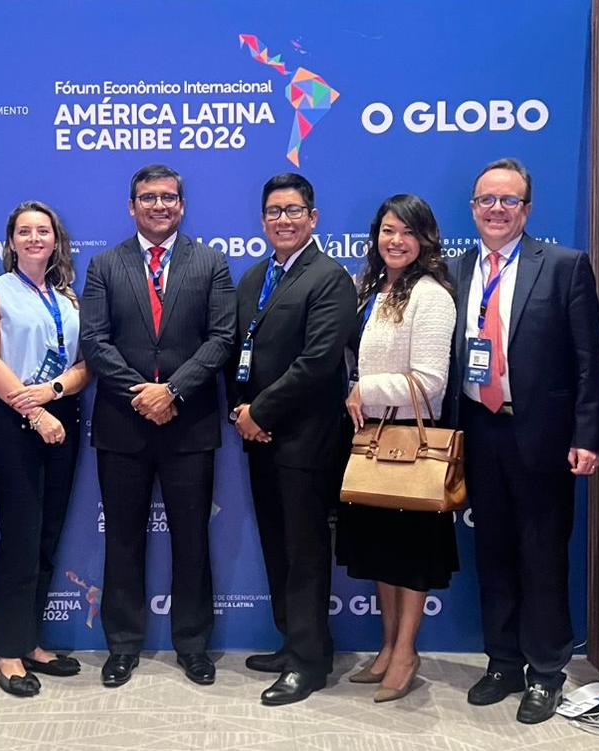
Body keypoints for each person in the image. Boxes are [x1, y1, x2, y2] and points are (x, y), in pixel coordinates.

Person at [445, 158, 599, 723]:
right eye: (486, 200)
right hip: (478, 429)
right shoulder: (455, 270)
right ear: (473, 208)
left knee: (542, 554)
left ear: (527, 209)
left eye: (508, 200)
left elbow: (589, 361)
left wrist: (589, 435)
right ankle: (502, 662)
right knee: (491, 553)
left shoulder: (563, 266)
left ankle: (546, 671)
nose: (496, 209)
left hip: (542, 435)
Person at [80, 164, 235, 687]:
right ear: (132, 207)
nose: (159, 206)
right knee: (123, 541)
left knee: (192, 541)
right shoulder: (105, 265)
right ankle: (123, 645)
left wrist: (172, 391)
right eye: (148, 198)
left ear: (182, 205)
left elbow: (221, 338)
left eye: (169, 197)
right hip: (122, 425)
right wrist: (142, 395)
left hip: (189, 423)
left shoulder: (210, 263)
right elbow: (95, 340)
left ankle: (193, 645)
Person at [227, 172, 356, 705]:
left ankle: (310, 662)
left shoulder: (330, 278)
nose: (284, 219)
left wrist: (260, 411)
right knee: (277, 546)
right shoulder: (254, 277)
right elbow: (235, 351)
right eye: (274, 212)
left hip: (307, 439)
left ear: (313, 218)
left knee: (305, 552)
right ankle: (293, 641)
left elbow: (318, 362)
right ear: (262, 220)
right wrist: (241, 413)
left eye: (294, 210)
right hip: (258, 438)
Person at [336, 194, 458, 703]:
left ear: (425, 239)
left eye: (408, 232)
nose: (396, 240)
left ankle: (406, 652)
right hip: (373, 439)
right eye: (388, 230)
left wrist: (364, 390)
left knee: (409, 558)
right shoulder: (370, 286)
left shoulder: (431, 295)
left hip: (409, 442)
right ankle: (387, 647)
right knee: (382, 555)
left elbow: (430, 383)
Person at [0, 201, 90, 696]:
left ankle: (30, 642)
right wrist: (35, 411)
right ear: (11, 241)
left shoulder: (68, 298)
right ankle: (6, 655)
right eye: (25, 231)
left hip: (63, 420)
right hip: (14, 422)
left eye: (43, 230)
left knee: (46, 537)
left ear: (56, 240)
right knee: (19, 538)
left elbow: (84, 365)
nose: (35, 238)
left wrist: (54, 393)